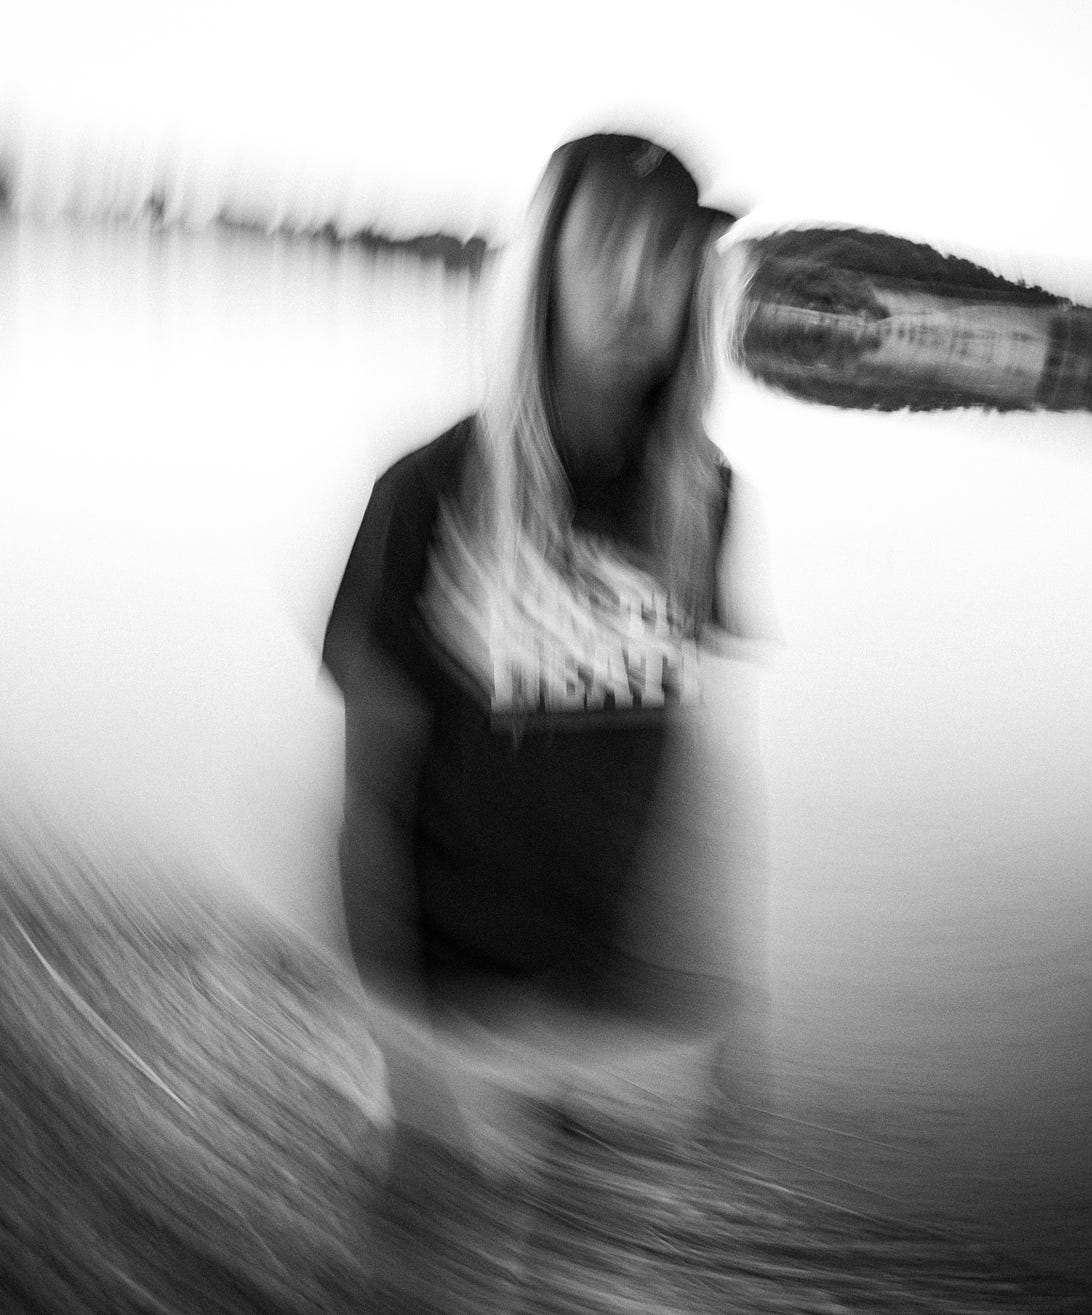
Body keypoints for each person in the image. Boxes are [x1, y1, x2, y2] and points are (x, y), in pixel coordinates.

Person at [322, 129, 766, 1183]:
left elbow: (689, 760)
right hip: (450, 1006)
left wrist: (719, 987)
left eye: (667, 257)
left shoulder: (701, 501)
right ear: (542, 271)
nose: (635, 287)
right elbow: (363, 795)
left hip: (615, 1003)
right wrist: (400, 1042)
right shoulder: (425, 493)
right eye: (606, 245)